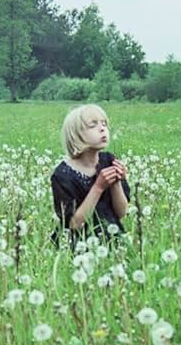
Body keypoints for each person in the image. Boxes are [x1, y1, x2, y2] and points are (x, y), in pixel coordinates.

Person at [50, 104, 130, 249]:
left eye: (104, 124)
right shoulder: (62, 175)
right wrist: (99, 187)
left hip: (112, 241)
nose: (102, 128)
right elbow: (74, 224)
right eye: (93, 125)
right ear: (76, 135)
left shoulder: (110, 161)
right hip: (77, 245)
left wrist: (116, 183)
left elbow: (121, 212)